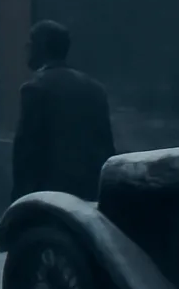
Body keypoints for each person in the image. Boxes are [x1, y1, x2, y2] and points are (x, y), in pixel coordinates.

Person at [11, 20, 116, 203]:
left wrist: (20, 195)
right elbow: (106, 144)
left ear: (41, 47)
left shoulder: (35, 88)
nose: (26, 48)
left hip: (50, 193)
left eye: (31, 42)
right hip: (91, 189)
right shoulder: (95, 88)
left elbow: (26, 150)